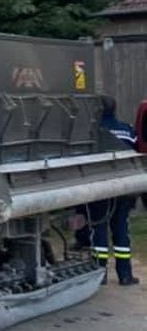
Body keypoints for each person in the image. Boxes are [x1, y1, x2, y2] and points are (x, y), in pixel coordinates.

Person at [78, 95, 140, 286]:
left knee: (98, 230)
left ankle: (100, 274)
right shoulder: (127, 130)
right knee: (121, 230)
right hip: (122, 189)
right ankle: (125, 275)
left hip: (98, 189)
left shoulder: (90, 132)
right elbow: (138, 151)